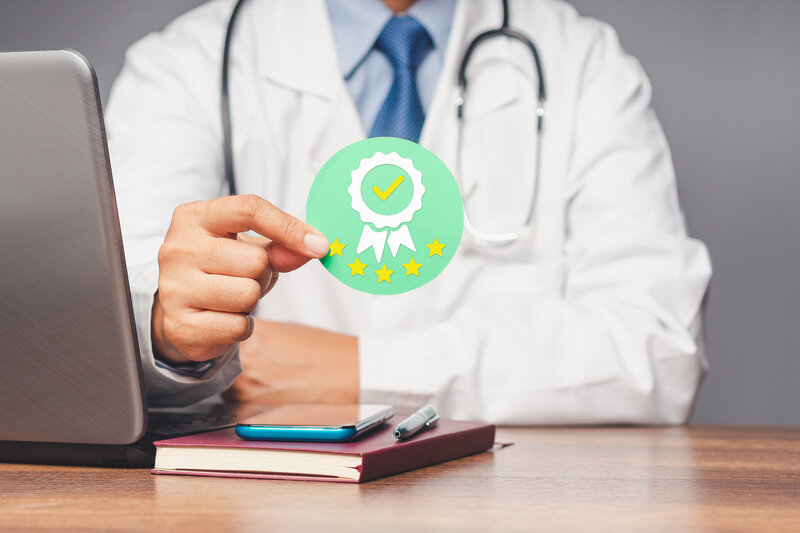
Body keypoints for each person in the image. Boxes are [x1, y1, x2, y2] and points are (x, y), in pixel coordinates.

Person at [106, 0, 712, 423]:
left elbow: (657, 348)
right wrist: (170, 335)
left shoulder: (583, 61)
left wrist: (354, 370)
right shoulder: (186, 65)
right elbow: (114, 342)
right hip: (271, 504)